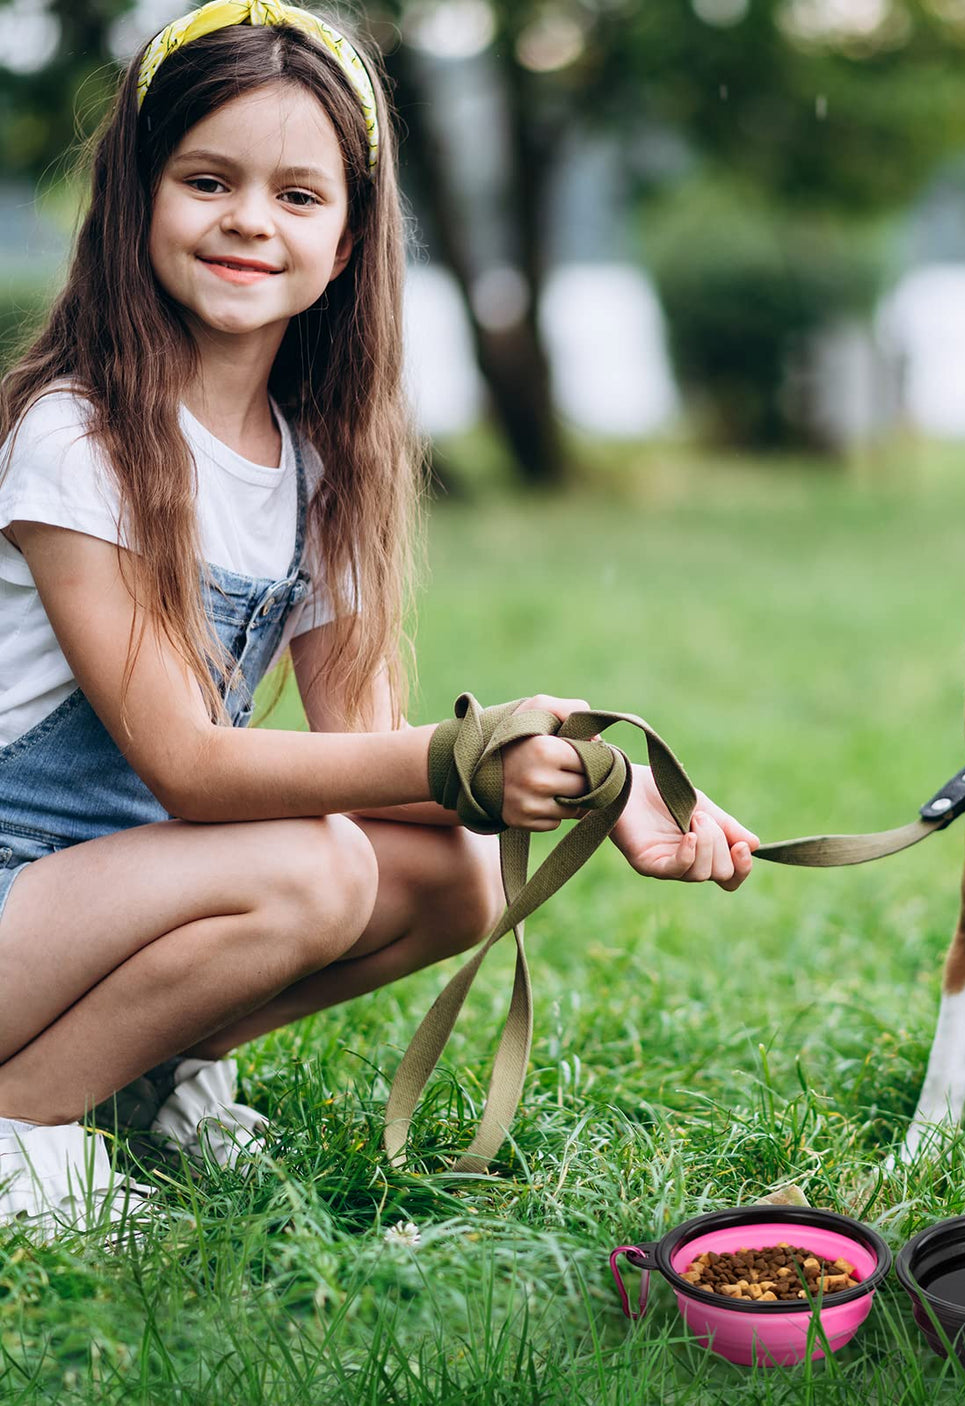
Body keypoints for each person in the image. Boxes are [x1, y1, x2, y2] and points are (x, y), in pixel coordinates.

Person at [0, 1, 757, 1238]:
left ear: (350, 239)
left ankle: (135, 1079)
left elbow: (367, 750)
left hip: (110, 899)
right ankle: (23, 1123)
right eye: (208, 180)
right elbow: (189, 767)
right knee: (311, 863)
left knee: (446, 875)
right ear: (137, 197)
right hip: (19, 886)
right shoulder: (75, 437)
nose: (251, 219)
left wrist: (604, 783)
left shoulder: (321, 460)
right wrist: (466, 753)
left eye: (300, 195)